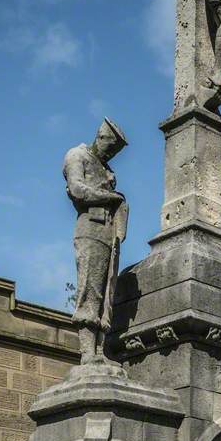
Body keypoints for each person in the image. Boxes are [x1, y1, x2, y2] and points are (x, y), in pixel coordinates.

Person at [63, 119, 128, 362]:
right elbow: (78, 190)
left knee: (106, 291)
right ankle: (87, 352)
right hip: (90, 228)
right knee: (90, 287)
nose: (110, 154)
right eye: (109, 148)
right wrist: (110, 196)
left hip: (109, 234)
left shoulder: (106, 169)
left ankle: (100, 349)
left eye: (114, 152)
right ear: (100, 137)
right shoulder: (76, 155)